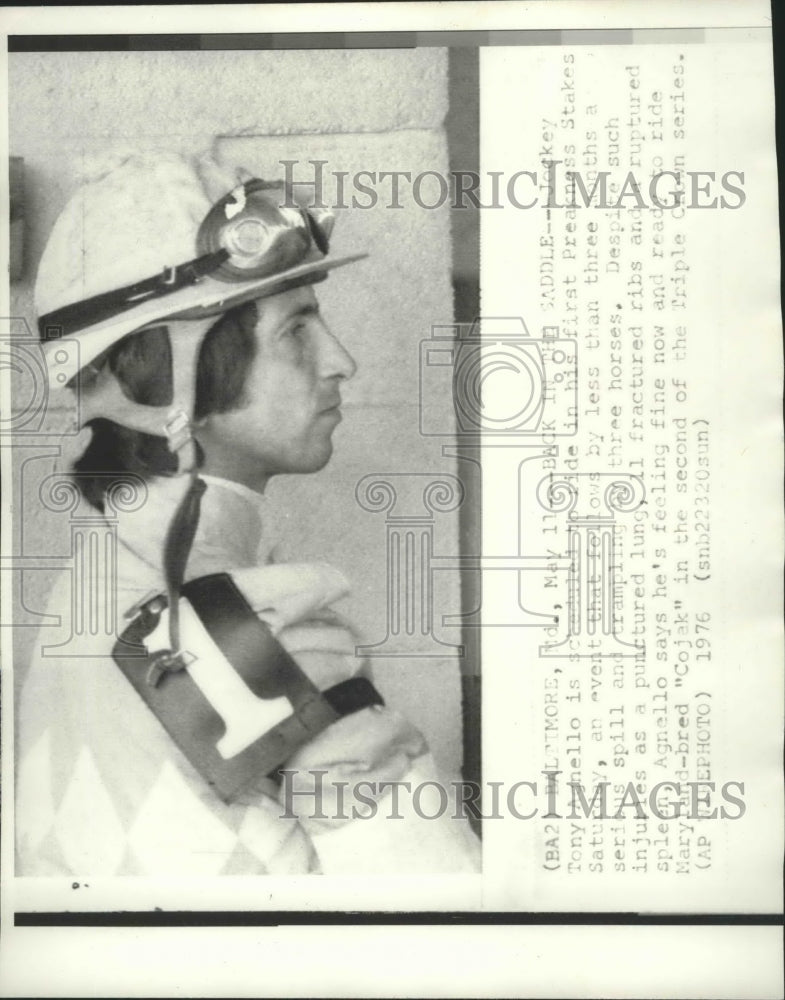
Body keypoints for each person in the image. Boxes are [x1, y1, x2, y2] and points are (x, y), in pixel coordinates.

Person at [15, 151, 480, 876]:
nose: (340, 361)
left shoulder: (89, 586)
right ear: (180, 375)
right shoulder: (256, 628)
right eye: (296, 330)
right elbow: (443, 919)